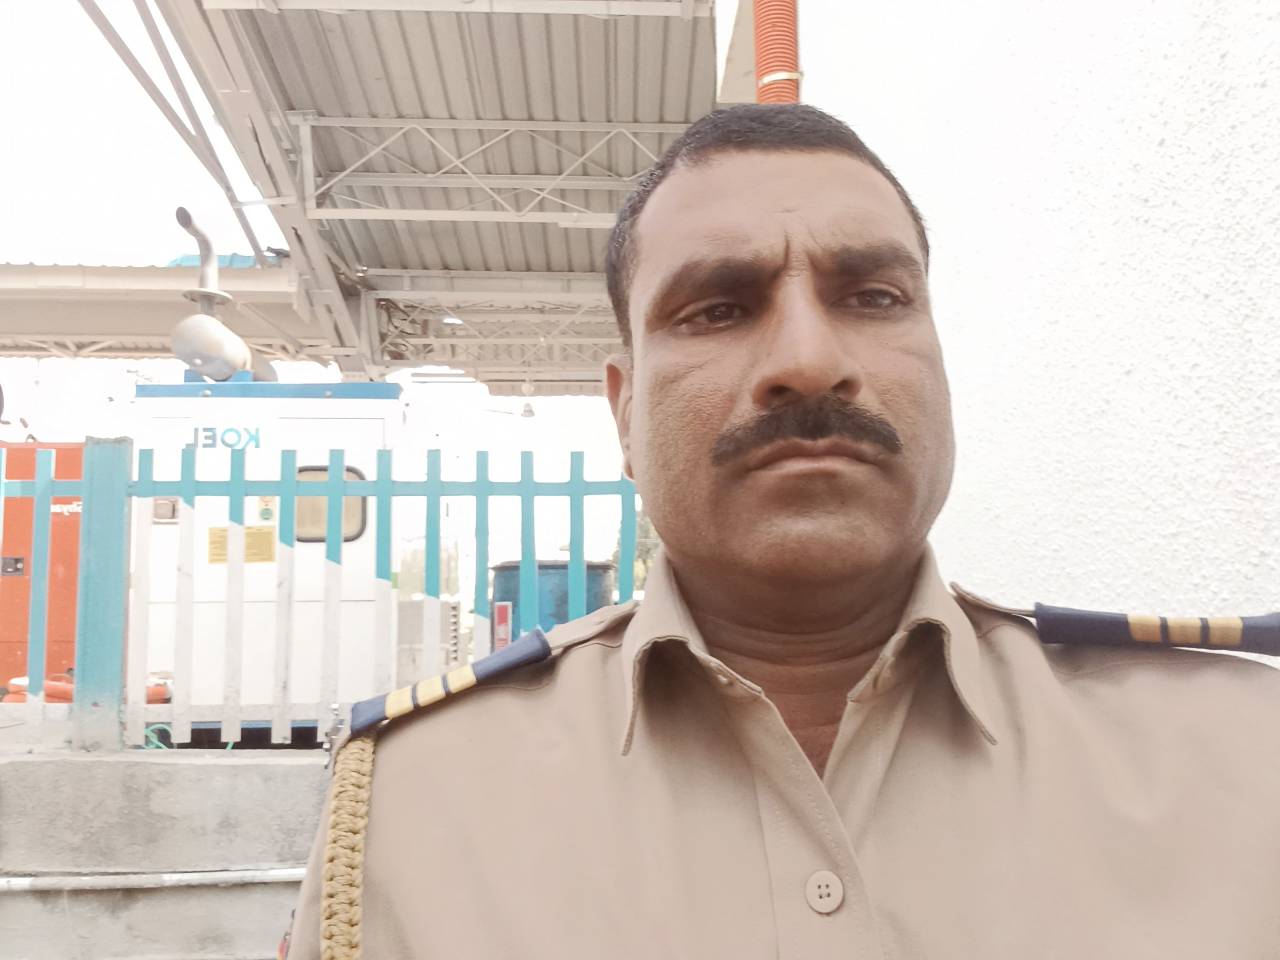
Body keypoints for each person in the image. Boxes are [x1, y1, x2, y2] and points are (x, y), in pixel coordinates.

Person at [285, 103, 1280, 959]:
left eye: (874, 298)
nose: (807, 359)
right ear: (623, 412)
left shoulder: (1241, 755)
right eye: (717, 309)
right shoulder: (411, 806)